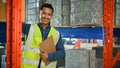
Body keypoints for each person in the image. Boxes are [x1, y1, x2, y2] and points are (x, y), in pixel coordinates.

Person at [22, 3, 65, 68]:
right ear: (39, 14)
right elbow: (13, 25)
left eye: (49, 14)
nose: (46, 17)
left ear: (52, 16)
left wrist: (49, 56)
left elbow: (62, 53)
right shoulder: (29, 28)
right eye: (44, 13)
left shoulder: (56, 33)